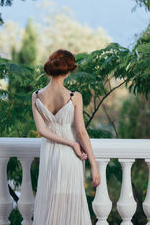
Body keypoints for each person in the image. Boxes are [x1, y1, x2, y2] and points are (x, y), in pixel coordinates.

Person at [31, 49, 101, 225]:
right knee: (70, 202)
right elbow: (81, 133)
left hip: (49, 154)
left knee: (50, 202)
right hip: (70, 156)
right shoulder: (74, 96)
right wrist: (94, 166)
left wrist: (71, 143)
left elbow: (42, 130)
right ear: (68, 71)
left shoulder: (36, 95)